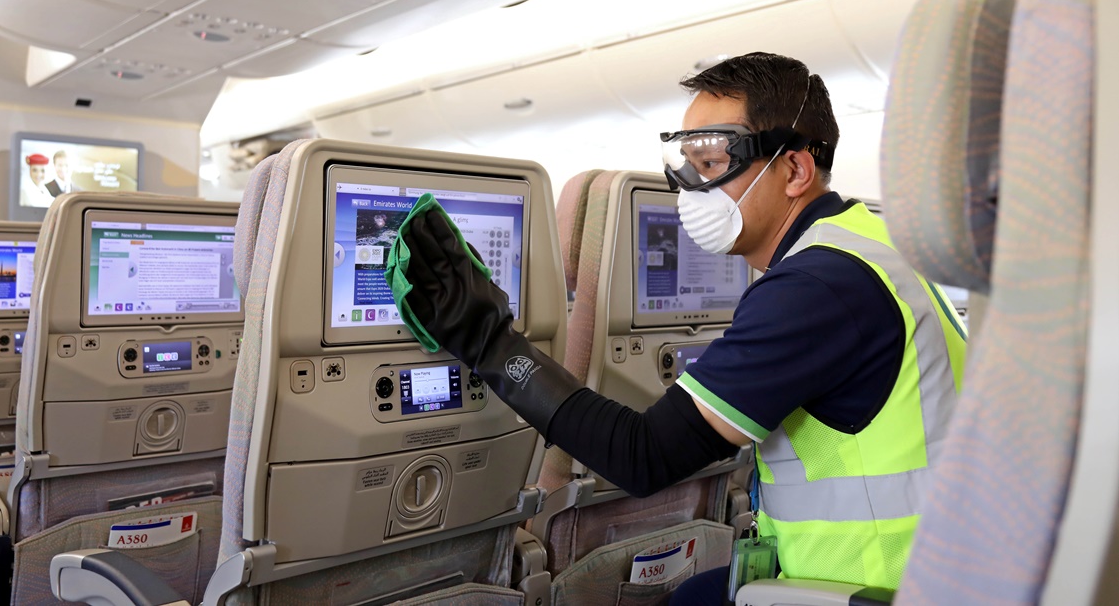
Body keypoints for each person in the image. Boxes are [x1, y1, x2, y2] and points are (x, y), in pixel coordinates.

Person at [395, 52, 965, 598]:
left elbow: (643, 456)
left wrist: (487, 340)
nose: (693, 188)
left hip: (869, 587)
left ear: (794, 169)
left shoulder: (814, 288)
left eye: (714, 165)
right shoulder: (873, 242)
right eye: (688, 166)